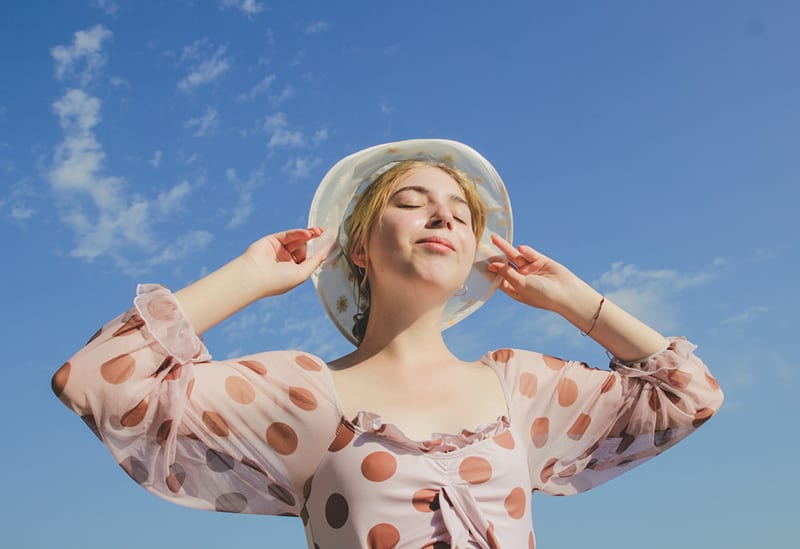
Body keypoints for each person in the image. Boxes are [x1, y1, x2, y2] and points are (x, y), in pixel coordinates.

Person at [52, 139, 723, 548]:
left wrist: (576, 299)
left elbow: (691, 395)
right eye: (412, 201)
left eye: (461, 214)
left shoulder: (521, 389)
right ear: (361, 248)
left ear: (470, 260)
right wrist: (248, 277)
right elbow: (94, 379)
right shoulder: (306, 394)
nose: (443, 215)